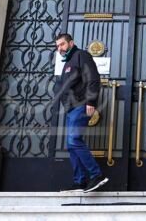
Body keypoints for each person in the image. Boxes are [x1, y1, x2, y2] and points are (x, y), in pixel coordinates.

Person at [53, 33, 108, 192]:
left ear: (71, 43)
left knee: (74, 140)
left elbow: (93, 78)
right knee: (71, 145)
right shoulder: (67, 63)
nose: (60, 48)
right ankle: (80, 181)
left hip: (81, 105)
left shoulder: (81, 55)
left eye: (62, 44)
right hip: (71, 109)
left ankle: (96, 175)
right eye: (57, 46)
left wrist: (91, 101)